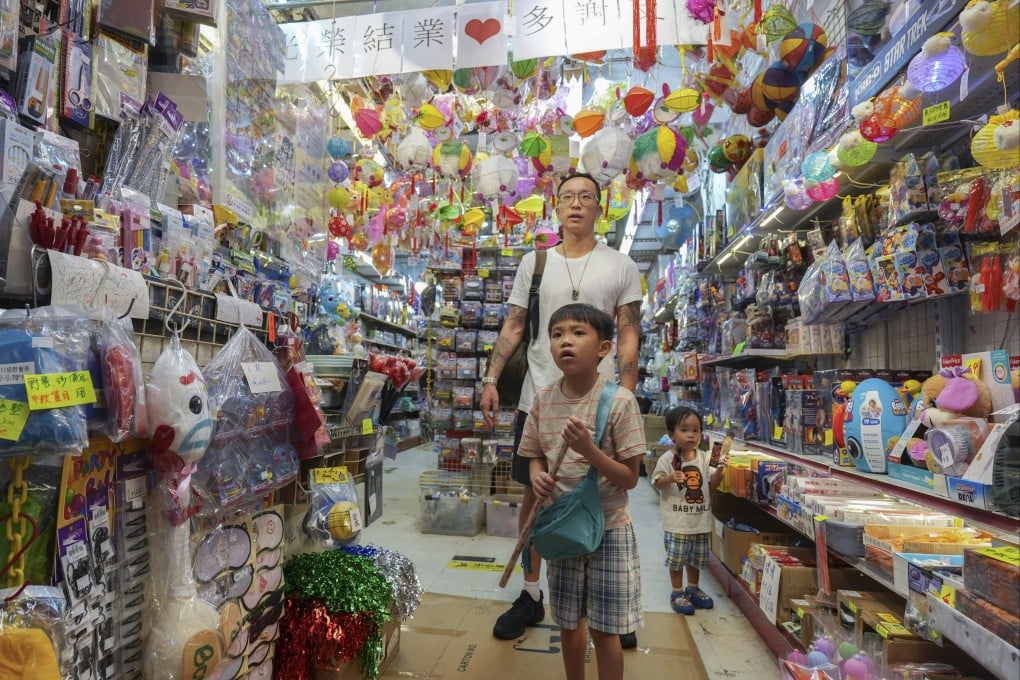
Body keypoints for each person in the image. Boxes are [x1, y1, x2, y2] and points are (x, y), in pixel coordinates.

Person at [480, 173, 643, 644]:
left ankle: (609, 607)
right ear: (556, 207)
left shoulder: (621, 265)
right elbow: (515, 325)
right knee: (535, 494)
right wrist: (490, 379)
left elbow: (628, 331)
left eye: (586, 197)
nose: (576, 204)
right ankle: (531, 594)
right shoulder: (535, 262)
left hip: (602, 403)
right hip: (540, 397)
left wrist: (626, 390)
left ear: (599, 207)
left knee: (606, 493)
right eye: (568, 196)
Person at [519, 303, 645, 680]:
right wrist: (538, 476)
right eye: (556, 335)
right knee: (569, 624)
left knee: (605, 631)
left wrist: (589, 450)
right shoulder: (543, 400)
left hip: (610, 529)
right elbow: (534, 455)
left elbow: (630, 478)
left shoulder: (620, 402)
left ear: (604, 348)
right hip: (562, 529)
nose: (565, 342)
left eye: (578, 333)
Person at [651, 406, 727, 615]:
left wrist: (721, 467)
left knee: (696, 559)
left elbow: (712, 484)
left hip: (700, 522)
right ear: (671, 435)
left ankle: (693, 588)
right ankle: (677, 592)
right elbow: (657, 482)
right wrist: (669, 478)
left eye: (696, 430)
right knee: (676, 560)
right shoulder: (668, 459)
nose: (691, 435)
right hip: (677, 523)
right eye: (684, 430)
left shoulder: (705, 457)